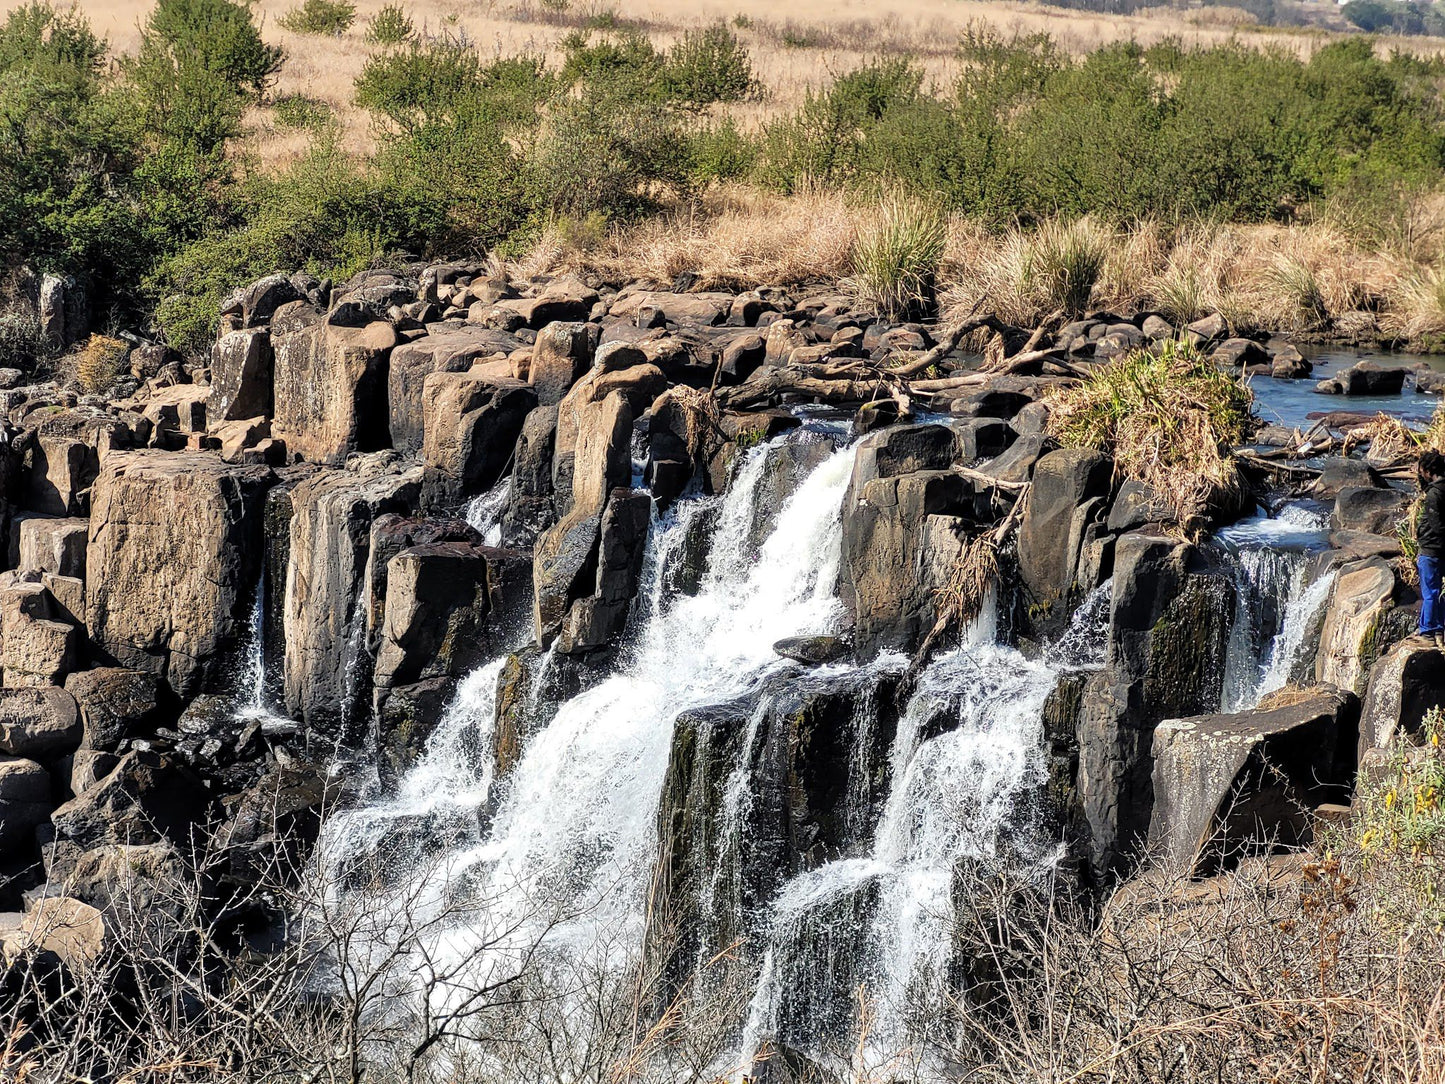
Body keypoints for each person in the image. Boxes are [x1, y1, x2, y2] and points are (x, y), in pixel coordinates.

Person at [1415, 449, 1445, 648]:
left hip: (1431, 550)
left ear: (1427, 471)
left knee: (1430, 593)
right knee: (1440, 592)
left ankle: (1427, 633)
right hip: (1442, 550)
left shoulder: (1434, 493)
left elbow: (1436, 525)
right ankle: (1440, 631)